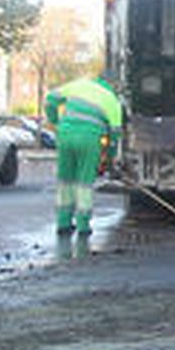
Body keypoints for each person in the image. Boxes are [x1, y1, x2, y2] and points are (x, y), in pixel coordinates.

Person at [45, 75, 123, 236]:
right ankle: (83, 225)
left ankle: (63, 223)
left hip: (65, 136)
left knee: (65, 181)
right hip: (90, 139)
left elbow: (50, 99)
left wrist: (55, 123)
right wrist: (109, 158)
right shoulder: (112, 100)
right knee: (84, 183)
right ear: (112, 86)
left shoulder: (79, 84)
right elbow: (115, 134)